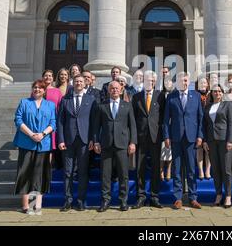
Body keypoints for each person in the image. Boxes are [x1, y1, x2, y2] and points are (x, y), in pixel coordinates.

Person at [13, 80, 56, 215]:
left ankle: (37, 205)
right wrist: (31, 134)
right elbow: (18, 120)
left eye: (40, 88)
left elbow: (53, 122)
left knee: (39, 175)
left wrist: (42, 134)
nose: (37, 89)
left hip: (43, 144)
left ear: (44, 91)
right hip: (26, 142)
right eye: (35, 87)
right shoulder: (24, 102)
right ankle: (26, 206)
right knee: (25, 173)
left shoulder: (50, 105)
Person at [93, 81, 137, 212]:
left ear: (121, 90)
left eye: (117, 88)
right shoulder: (102, 106)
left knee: (123, 174)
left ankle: (123, 201)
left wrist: (133, 142)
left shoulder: (127, 105)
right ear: (108, 90)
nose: (114, 90)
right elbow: (96, 127)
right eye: (112, 88)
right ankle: (105, 201)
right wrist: (96, 141)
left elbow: (132, 126)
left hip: (122, 144)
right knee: (105, 175)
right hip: (106, 144)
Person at [163, 72, 204, 210]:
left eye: (186, 80)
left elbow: (200, 119)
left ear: (189, 81)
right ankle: (178, 198)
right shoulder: (171, 97)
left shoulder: (196, 96)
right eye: (181, 80)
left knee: (192, 169)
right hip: (176, 138)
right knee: (177, 169)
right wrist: (166, 136)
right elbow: (166, 120)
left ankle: (193, 198)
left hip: (192, 138)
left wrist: (200, 136)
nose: (183, 82)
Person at [57, 75, 96, 212]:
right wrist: (60, 140)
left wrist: (93, 139)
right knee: (68, 172)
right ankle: (68, 201)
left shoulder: (91, 99)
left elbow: (93, 122)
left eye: (81, 81)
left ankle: (80, 201)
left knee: (83, 172)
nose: (78, 83)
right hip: (68, 141)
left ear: (85, 83)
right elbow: (60, 121)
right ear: (72, 84)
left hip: (85, 141)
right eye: (76, 82)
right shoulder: (65, 99)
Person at [132, 71, 165, 209]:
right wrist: (133, 139)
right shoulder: (136, 97)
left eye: (151, 80)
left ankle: (154, 196)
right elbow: (132, 119)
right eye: (146, 80)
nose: (149, 82)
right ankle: (141, 196)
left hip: (156, 137)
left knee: (156, 168)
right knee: (140, 168)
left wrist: (164, 136)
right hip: (141, 137)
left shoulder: (161, 96)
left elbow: (163, 117)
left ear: (154, 81)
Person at [203, 84, 232, 208]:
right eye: (214, 91)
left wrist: (230, 141)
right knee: (215, 169)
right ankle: (218, 194)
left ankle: (228, 196)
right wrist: (205, 140)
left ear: (222, 93)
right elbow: (205, 125)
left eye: (219, 91)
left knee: (226, 169)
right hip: (211, 141)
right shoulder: (207, 107)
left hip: (224, 141)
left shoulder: (228, 105)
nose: (217, 93)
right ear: (211, 93)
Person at [42, 70, 63, 169]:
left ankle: (51, 166)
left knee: (52, 144)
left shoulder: (57, 91)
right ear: (43, 77)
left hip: (53, 121)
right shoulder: (39, 90)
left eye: (50, 76)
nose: (48, 77)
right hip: (40, 122)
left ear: (53, 78)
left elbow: (60, 107)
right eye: (46, 76)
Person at [160, 72, 174, 181]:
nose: (167, 83)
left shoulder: (175, 94)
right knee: (162, 147)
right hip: (162, 124)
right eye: (165, 82)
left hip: (172, 124)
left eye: (169, 81)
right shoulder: (160, 94)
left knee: (169, 149)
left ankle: (168, 170)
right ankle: (161, 170)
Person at [197, 76, 211, 180]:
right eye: (201, 83)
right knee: (199, 147)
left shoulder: (211, 95)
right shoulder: (195, 95)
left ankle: (208, 170)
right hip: (198, 123)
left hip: (209, 123)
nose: (203, 84)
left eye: (204, 83)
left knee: (208, 148)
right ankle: (201, 170)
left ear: (207, 84)